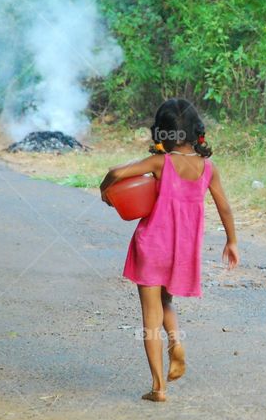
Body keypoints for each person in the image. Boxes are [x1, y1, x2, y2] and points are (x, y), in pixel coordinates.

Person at [100, 98, 239, 402]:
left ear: (160, 132)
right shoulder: (208, 168)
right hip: (182, 252)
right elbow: (225, 207)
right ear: (196, 131)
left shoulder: (160, 163)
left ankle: (158, 387)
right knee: (167, 302)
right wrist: (231, 241)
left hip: (151, 247)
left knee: (150, 317)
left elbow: (115, 173)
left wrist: (104, 192)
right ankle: (176, 343)